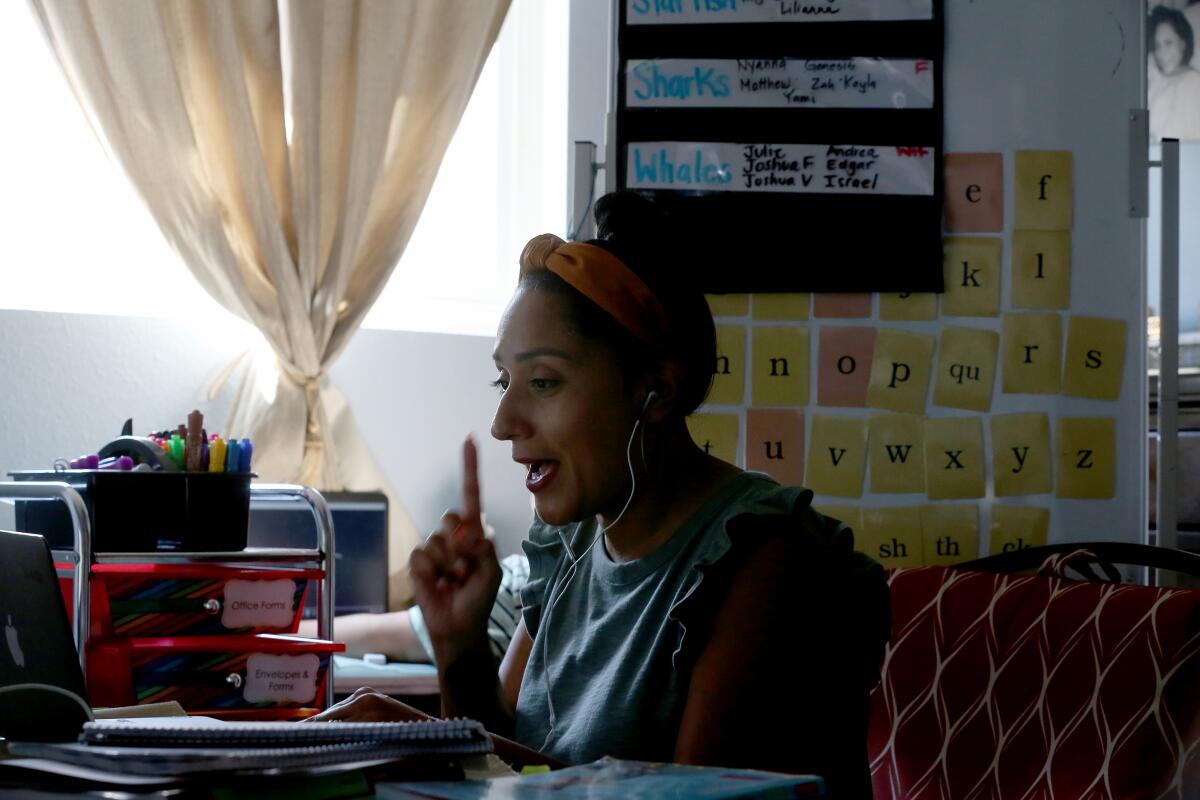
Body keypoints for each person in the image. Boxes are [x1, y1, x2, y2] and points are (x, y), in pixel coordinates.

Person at [312, 192, 891, 796]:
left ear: (656, 392)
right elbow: (502, 767)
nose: (504, 421)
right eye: (504, 381)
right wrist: (459, 648)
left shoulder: (764, 557)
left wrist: (399, 733)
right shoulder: (572, 543)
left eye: (542, 381)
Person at [298, 553, 528, 663]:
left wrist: (274, 634)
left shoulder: (520, 585)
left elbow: (375, 634)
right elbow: (376, 633)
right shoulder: (523, 584)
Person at [1149, 5, 1200, 141]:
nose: (1162, 53)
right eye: (1157, 45)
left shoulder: (1194, 84)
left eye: (1168, 43)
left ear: (1183, 44)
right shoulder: (1154, 80)